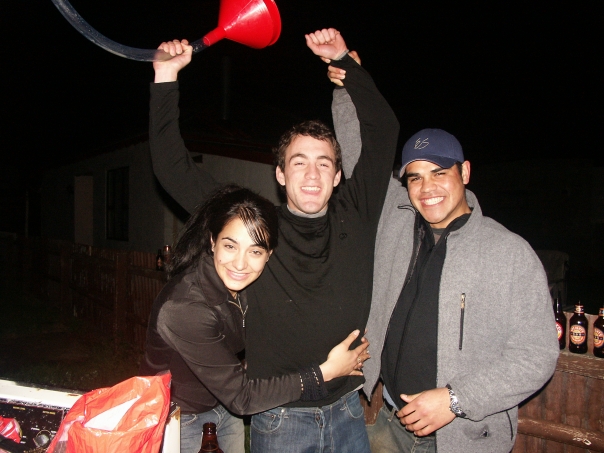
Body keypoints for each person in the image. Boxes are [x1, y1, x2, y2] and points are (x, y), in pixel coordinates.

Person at [148, 29, 399, 452]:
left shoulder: (358, 211)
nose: (312, 174)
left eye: (324, 164)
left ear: (338, 175)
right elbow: (174, 171)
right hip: (281, 420)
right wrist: (166, 78)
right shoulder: (257, 228)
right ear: (280, 174)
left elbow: (384, 129)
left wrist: (345, 62)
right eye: (298, 163)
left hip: (348, 411)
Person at [328, 61, 560, 453]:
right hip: (391, 421)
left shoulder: (509, 254)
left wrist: (455, 399)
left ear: (464, 172)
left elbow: (537, 356)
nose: (427, 188)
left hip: (465, 437)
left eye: (439, 173)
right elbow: (359, 156)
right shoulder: (396, 220)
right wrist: (347, 83)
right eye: (415, 177)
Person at [140, 184, 369, 453]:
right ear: (212, 241)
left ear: (269, 255)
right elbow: (242, 398)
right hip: (181, 417)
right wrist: (325, 372)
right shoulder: (185, 308)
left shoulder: (247, 285)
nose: (240, 264)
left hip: (223, 408)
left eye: (255, 251)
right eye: (230, 246)